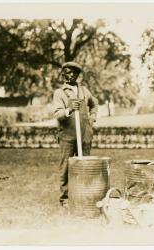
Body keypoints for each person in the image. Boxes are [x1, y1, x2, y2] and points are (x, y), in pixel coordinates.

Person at [53, 61, 98, 208]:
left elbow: (95, 104)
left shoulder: (85, 91)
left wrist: (92, 119)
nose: (70, 75)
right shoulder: (59, 93)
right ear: (63, 74)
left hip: (84, 135)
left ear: (78, 75)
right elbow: (58, 114)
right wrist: (69, 109)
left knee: (84, 165)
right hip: (67, 135)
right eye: (67, 72)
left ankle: (82, 194)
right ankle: (65, 199)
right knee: (66, 166)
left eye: (74, 72)